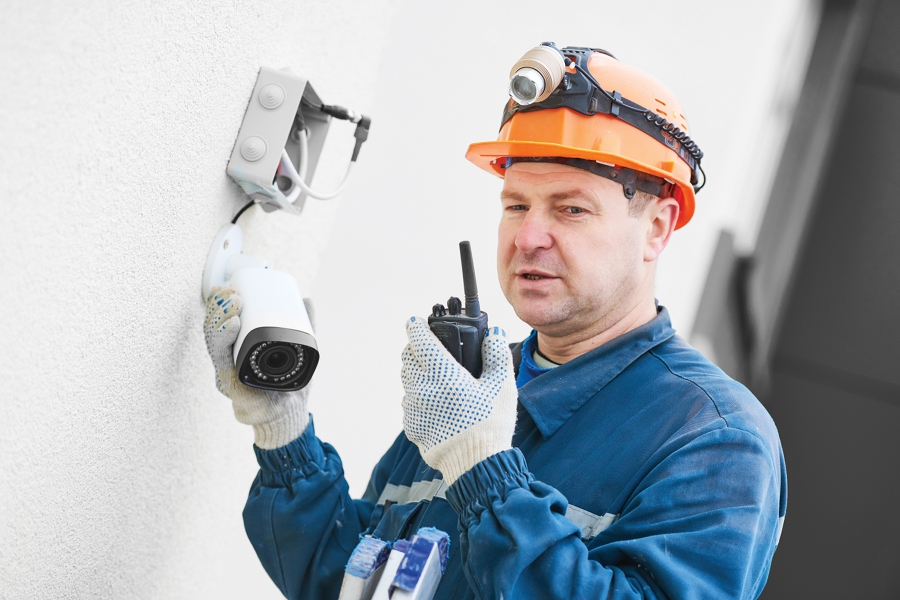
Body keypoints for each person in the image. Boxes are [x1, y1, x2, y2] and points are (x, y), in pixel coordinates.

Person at [203, 44, 787, 599]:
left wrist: (482, 469)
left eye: (571, 209)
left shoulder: (714, 439)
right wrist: (283, 431)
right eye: (516, 205)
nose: (529, 237)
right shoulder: (479, 387)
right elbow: (346, 581)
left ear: (656, 228)